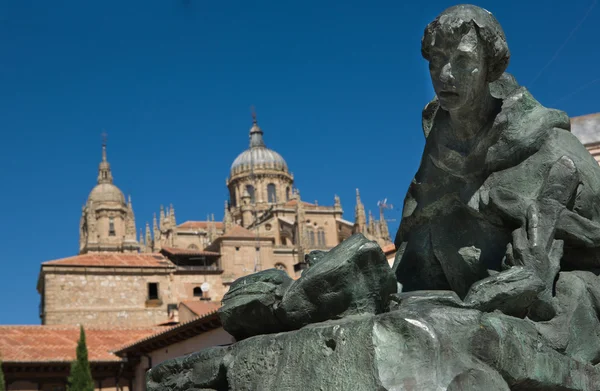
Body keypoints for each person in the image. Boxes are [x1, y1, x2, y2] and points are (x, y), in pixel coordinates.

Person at [393, 5, 600, 324]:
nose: (445, 75)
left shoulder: (548, 142)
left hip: (550, 311)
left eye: (463, 60)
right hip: (464, 311)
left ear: (490, 67)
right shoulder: (437, 153)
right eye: (436, 60)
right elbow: (411, 254)